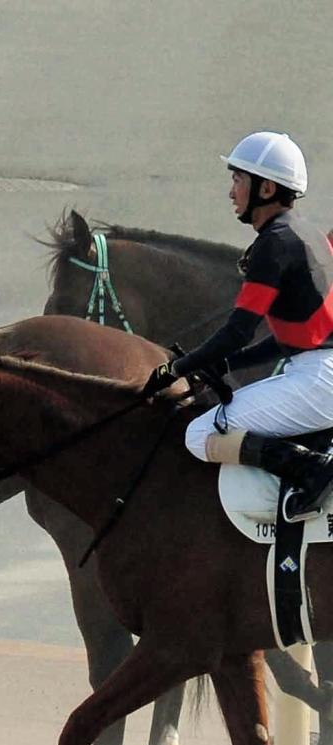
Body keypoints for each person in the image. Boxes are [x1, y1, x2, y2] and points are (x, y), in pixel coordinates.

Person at [143, 131, 333, 521]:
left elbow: (237, 331)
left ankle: (313, 470)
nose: (232, 192)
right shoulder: (307, 232)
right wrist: (227, 366)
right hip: (320, 375)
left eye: (237, 180)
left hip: (319, 384)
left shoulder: (274, 243)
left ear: (265, 188)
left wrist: (173, 369)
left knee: (198, 435)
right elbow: (297, 338)